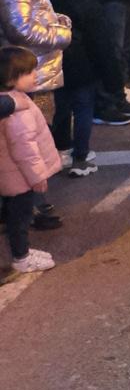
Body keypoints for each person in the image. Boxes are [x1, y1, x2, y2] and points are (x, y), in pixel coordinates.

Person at [0, 0, 69, 234]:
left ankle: (31, 203)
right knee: (30, 143)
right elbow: (21, 28)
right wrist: (61, 33)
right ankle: (30, 206)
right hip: (30, 74)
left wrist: (56, 19)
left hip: (36, 70)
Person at [42, 0, 123, 178]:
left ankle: (62, 149)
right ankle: (81, 156)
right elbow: (100, 38)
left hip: (55, 60)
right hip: (81, 62)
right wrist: (113, 77)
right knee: (84, 108)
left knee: (62, 106)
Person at [0, 46, 62, 272]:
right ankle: (21, 257)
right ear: (10, 78)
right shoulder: (16, 110)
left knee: (15, 215)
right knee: (20, 218)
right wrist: (37, 178)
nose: (35, 75)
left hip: (11, 175)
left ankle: (22, 252)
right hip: (18, 178)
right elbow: (24, 149)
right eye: (29, 72)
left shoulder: (13, 101)